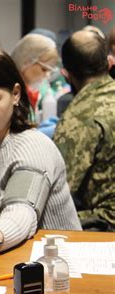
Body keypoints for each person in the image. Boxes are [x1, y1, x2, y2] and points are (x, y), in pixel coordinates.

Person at [0, 46, 81, 266]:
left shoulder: (33, 147)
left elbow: (21, 211)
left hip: (61, 272)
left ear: (16, 94)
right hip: (8, 262)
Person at [53, 30, 115, 231]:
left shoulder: (78, 118)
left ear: (66, 74)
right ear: (108, 63)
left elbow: (58, 188)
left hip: (107, 223)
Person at [11, 33, 69, 138]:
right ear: (26, 62)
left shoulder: (29, 93)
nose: (46, 75)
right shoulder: (11, 94)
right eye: (44, 69)